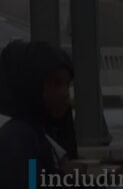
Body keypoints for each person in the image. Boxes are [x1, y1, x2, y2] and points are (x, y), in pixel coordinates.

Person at [0, 41, 78, 188]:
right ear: (31, 86)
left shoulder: (38, 130)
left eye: (67, 84)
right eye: (55, 84)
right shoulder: (19, 138)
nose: (64, 93)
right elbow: (31, 183)